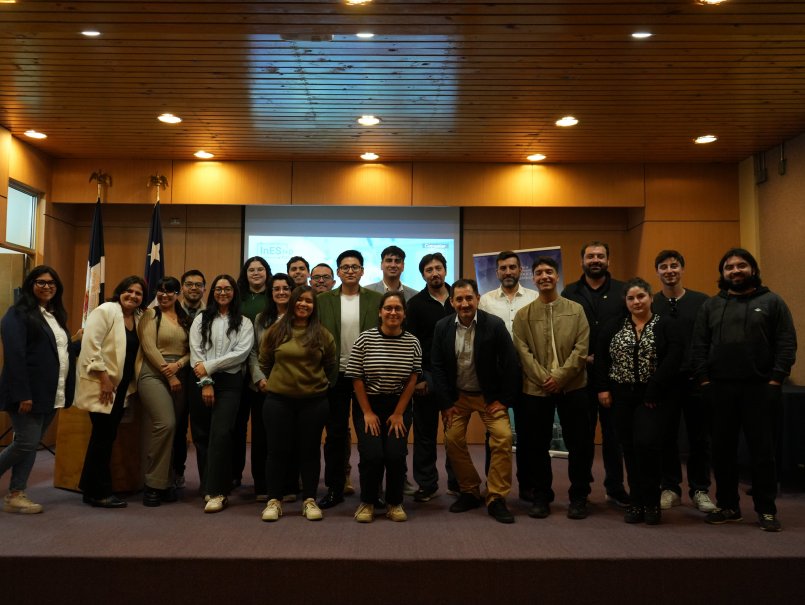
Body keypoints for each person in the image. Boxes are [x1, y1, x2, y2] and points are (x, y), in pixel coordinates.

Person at [692, 248, 797, 532]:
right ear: (723, 273)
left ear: (753, 269)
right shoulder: (711, 306)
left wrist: (776, 380)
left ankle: (766, 509)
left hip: (760, 389)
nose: (735, 271)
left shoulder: (772, 302)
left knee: (763, 452)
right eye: (729, 267)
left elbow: (786, 343)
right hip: (719, 390)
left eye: (741, 265)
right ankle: (728, 506)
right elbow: (699, 346)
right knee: (722, 452)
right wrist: (704, 381)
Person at [596, 278, 683, 525]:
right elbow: (601, 358)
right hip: (621, 397)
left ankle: (652, 502)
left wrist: (654, 388)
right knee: (629, 449)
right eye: (631, 298)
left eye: (641, 296)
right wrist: (603, 388)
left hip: (652, 398)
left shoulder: (665, 324)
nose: (636, 302)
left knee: (647, 446)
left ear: (651, 298)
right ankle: (636, 502)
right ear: (625, 302)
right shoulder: (614, 326)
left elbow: (674, 358)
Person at [432, 279, 519, 523]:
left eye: (469, 298)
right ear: (452, 302)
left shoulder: (494, 325)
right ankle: (469, 490)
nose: (465, 303)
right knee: (452, 439)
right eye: (459, 299)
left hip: (489, 397)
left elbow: (511, 363)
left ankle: (496, 497)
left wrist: (504, 400)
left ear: (478, 299)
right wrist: (446, 403)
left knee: (503, 437)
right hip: (458, 397)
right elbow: (437, 366)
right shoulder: (442, 327)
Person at [512, 257, 592, 520]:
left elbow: (582, 349)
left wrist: (560, 377)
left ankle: (579, 497)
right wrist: (544, 378)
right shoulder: (524, 315)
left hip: (574, 387)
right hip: (536, 389)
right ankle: (541, 496)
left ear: (557, 277)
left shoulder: (576, 310)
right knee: (536, 445)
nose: (544, 276)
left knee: (579, 444)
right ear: (533, 279)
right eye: (539, 273)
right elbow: (522, 352)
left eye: (549, 272)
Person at [0, 266, 76, 514]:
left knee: (29, 444)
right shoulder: (17, 314)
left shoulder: (54, 315)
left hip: (51, 392)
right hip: (27, 394)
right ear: (30, 285)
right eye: (41, 282)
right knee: (25, 443)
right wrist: (23, 394)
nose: (47, 287)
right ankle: (15, 492)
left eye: (51, 283)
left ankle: (15, 494)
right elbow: (15, 356)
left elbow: (56, 353)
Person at [258, 285, 336, 522]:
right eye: (299, 300)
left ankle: (309, 500)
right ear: (292, 303)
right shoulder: (275, 331)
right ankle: (274, 501)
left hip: (313, 402)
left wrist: (313, 384)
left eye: (308, 301)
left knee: (309, 451)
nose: (303, 304)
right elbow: (265, 362)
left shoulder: (323, 334)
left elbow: (330, 366)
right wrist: (281, 381)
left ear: (314, 306)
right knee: (276, 451)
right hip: (278, 401)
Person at [561, 241, 629, 507]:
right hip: (580, 375)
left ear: (608, 261)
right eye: (590, 256)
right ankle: (580, 492)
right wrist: (582, 357)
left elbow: (629, 328)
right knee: (581, 438)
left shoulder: (623, 291)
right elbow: (563, 333)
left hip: (615, 375)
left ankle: (615, 488)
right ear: (582, 261)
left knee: (614, 437)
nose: (595, 260)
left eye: (601, 256)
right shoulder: (569, 292)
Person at [346, 292, 421, 522]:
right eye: (388, 308)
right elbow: (356, 377)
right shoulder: (365, 339)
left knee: (395, 455)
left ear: (404, 314)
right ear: (380, 312)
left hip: (398, 405)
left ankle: (394, 503)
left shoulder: (412, 342)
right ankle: (367, 502)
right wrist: (368, 413)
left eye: (398, 308)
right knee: (373, 455)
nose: (393, 312)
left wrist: (398, 413)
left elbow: (412, 379)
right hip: (368, 404)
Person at [316, 250, 382, 509]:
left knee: (369, 435)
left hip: (367, 376)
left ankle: (372, 490)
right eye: (345, 267)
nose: (351, 271)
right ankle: (335, 489)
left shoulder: (376, 299)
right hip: (335, 376)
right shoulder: (323, 300)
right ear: (338, 272)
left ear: (362, 271)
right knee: (335, 435)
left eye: (355, 267)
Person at [652, 250, 715, 513]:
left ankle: (700, 489)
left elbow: (710, 340)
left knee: (699, 438)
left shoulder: (702, 302)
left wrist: (705, 375)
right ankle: (670, 488)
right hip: (665, 383)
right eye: (664, 267)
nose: (669, 271)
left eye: (674, 266)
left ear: (682, 269)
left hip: (695, 381)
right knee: (665, 436)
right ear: (657, 272)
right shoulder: (652, 303)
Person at [75, 275, 146, 508]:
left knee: (105, 436)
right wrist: (104, 379)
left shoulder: (138, 318)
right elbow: (90, 346)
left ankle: (89, 486)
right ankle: (99, 492)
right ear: (120, 291)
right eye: (129, 291)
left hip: (121, 386)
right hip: (102, 384)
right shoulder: (105, 311)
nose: (133, 296)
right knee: (103, 437)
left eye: (138, 293)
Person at [189, 274, 254, 513]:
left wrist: (210, 366)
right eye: (218, 289)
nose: (223, 292)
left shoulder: (244, 322)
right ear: (212, 292)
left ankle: (218, 492)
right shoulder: (201, 318)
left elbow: (241, 353)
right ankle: (208, 485)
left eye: (227, 289)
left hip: (230, 382)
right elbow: (195, 350)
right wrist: (205, 379)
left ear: (234, 292)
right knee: (202, 434)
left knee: (221, 433)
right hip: (201, 380)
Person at [406, 252, 458, 502]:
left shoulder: (459, 297)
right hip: (427, 376)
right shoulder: (415, 304)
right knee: (425, 434)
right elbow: (411, 343)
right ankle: (427, 484)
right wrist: (418, 378)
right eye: (429, 270)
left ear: (445, 270)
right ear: (423, 275)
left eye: (438, 268)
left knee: (455, 434)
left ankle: (458, 483)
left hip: (456, 377)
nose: (434, 273)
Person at [136, 276, 189, 507]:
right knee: (165, 424)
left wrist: (179, 365)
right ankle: (153, 484)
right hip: (153, 373)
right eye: (160, 290)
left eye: (169, 291)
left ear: (178, 294)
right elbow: (148, 347)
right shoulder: (150, 314)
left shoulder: (185, 318)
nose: (164, 295)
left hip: (179, 373)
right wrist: (169, 374)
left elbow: (192, 350)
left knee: (173, 430)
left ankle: (166, 482)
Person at [247, 272, 293, 500]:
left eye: (285, 288)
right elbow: (253, 351)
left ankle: (289, 486)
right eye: (276, 289)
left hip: (291, 386)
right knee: (262, 438)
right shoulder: (260, 318)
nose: (281, 292)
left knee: (289, 437)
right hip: (264, 385)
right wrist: (258, 378)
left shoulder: (299, 316)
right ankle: (262, 486)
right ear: (271, 292)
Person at [232, 256, 272, 488]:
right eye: (251, 270)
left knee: (261, 428)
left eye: (260, 269)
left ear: (267, 272)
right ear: (245, 274)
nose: (256, 273)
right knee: (236, 425)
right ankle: (234, 473)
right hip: (237, 367)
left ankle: (262, 479)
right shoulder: (238, 296)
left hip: (261, 371)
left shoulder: (274, 296)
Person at [173, 269, 206, 489]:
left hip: (201, 374)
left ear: (204, 289)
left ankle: (207, 481)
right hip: (176, 375)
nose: (193, 288)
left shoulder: (211, 312)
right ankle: (176, 472)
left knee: (201, 428)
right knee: (177, 426)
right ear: (182, 288)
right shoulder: (170, 310)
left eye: (198, 285)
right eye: (189, 284)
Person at [478, 250, 537, 335]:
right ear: (497, 273)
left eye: (512, 267)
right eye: (503, 268)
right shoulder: (485, 301)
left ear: (520, 270)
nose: (508, 272)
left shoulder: (534, 297)